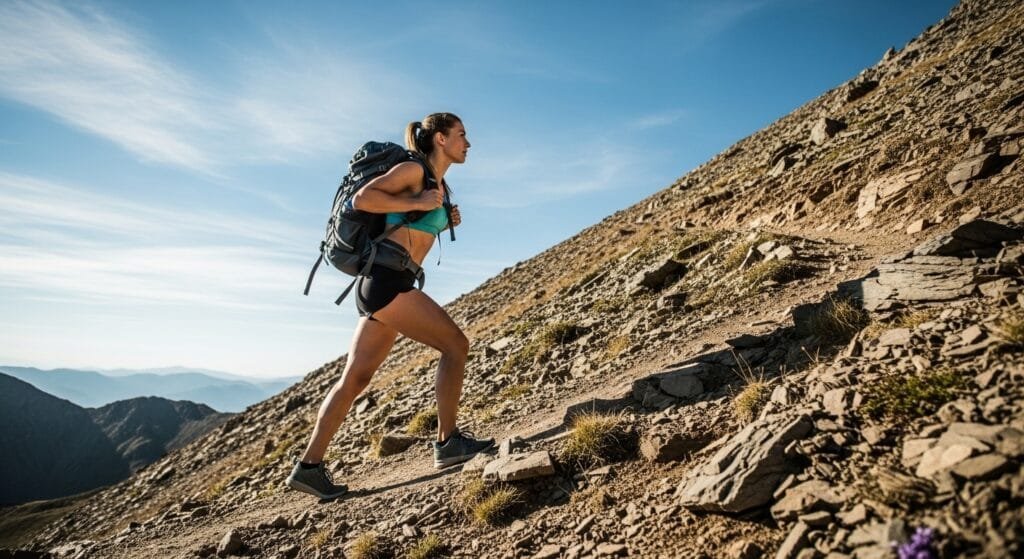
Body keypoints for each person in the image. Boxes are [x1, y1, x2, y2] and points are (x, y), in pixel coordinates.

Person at [287, 113, 495, 499]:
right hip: (386, 281)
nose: (469, 143)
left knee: (355, 379)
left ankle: (308, 468)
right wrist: (419, 199)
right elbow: (362, 198)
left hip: (386, 283)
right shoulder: (413, 171)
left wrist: (443, 216)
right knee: (455, 345)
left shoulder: (437, 183)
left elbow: (409, 221)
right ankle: (448, 443)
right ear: (439, 139)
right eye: (462, 135)